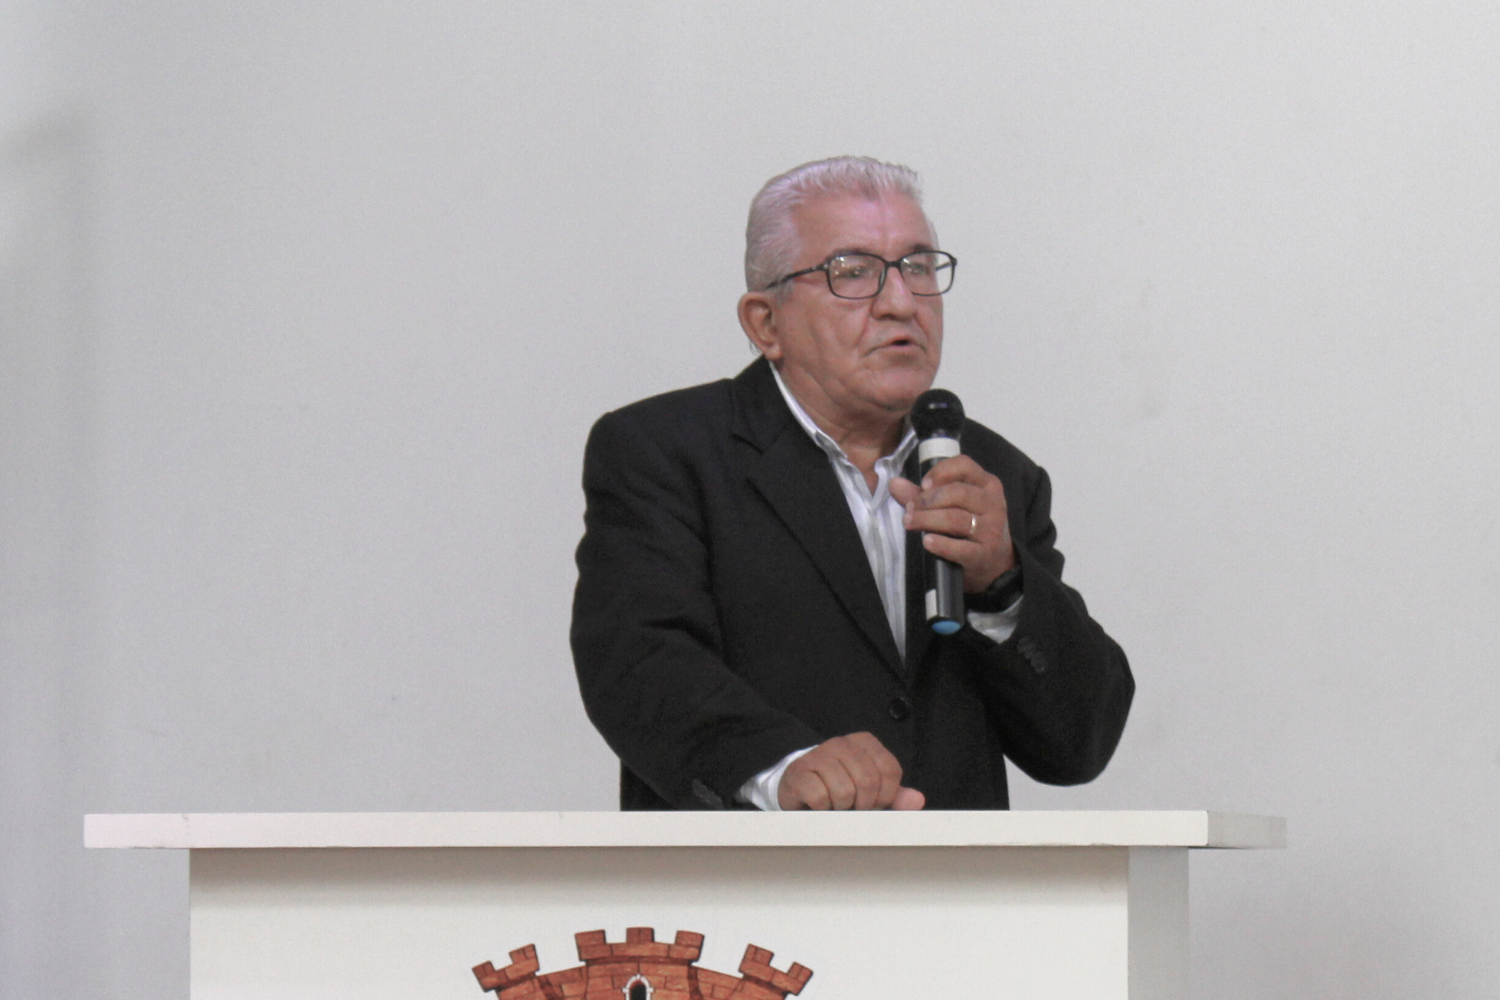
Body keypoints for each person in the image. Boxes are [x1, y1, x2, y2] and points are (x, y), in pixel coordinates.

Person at [571, 156, 1133, 811]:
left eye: (918, 267)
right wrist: (780, 767)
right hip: (748, 867)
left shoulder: (994, 476)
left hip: (951, 874)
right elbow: (637, 665)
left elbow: (1079, 743)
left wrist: (1003, 582)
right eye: (853, 271)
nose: (901, 303)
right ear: (765, 323)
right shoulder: (666, 452)